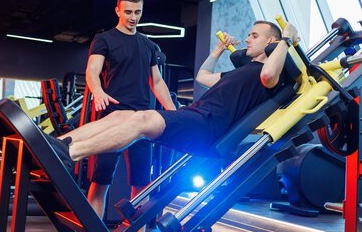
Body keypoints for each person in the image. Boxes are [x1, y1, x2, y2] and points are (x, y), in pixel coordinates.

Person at [53, 19, 298, 168]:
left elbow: (268, 75)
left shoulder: (268, 75)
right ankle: (60, 144)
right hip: (195, 116)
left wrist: (285, 40)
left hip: (207, 125)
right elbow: (202, 77)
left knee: (142, 119)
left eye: (254, 36)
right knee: (120, 116)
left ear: (271, 41)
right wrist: (218, 50)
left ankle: (71, 154)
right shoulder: (242, 71)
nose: (246, 39)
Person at [84, 0, 176, 232]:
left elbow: (157, 82)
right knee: (101, 179)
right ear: (118, 11)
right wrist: (98, 91)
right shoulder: (104, 40)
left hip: (142, 120)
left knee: (141, 182)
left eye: (137, 12)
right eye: (128, 12)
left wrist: (172, 111)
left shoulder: (147, 44)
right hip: (113, 117)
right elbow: (92, 71)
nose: (133, 17)